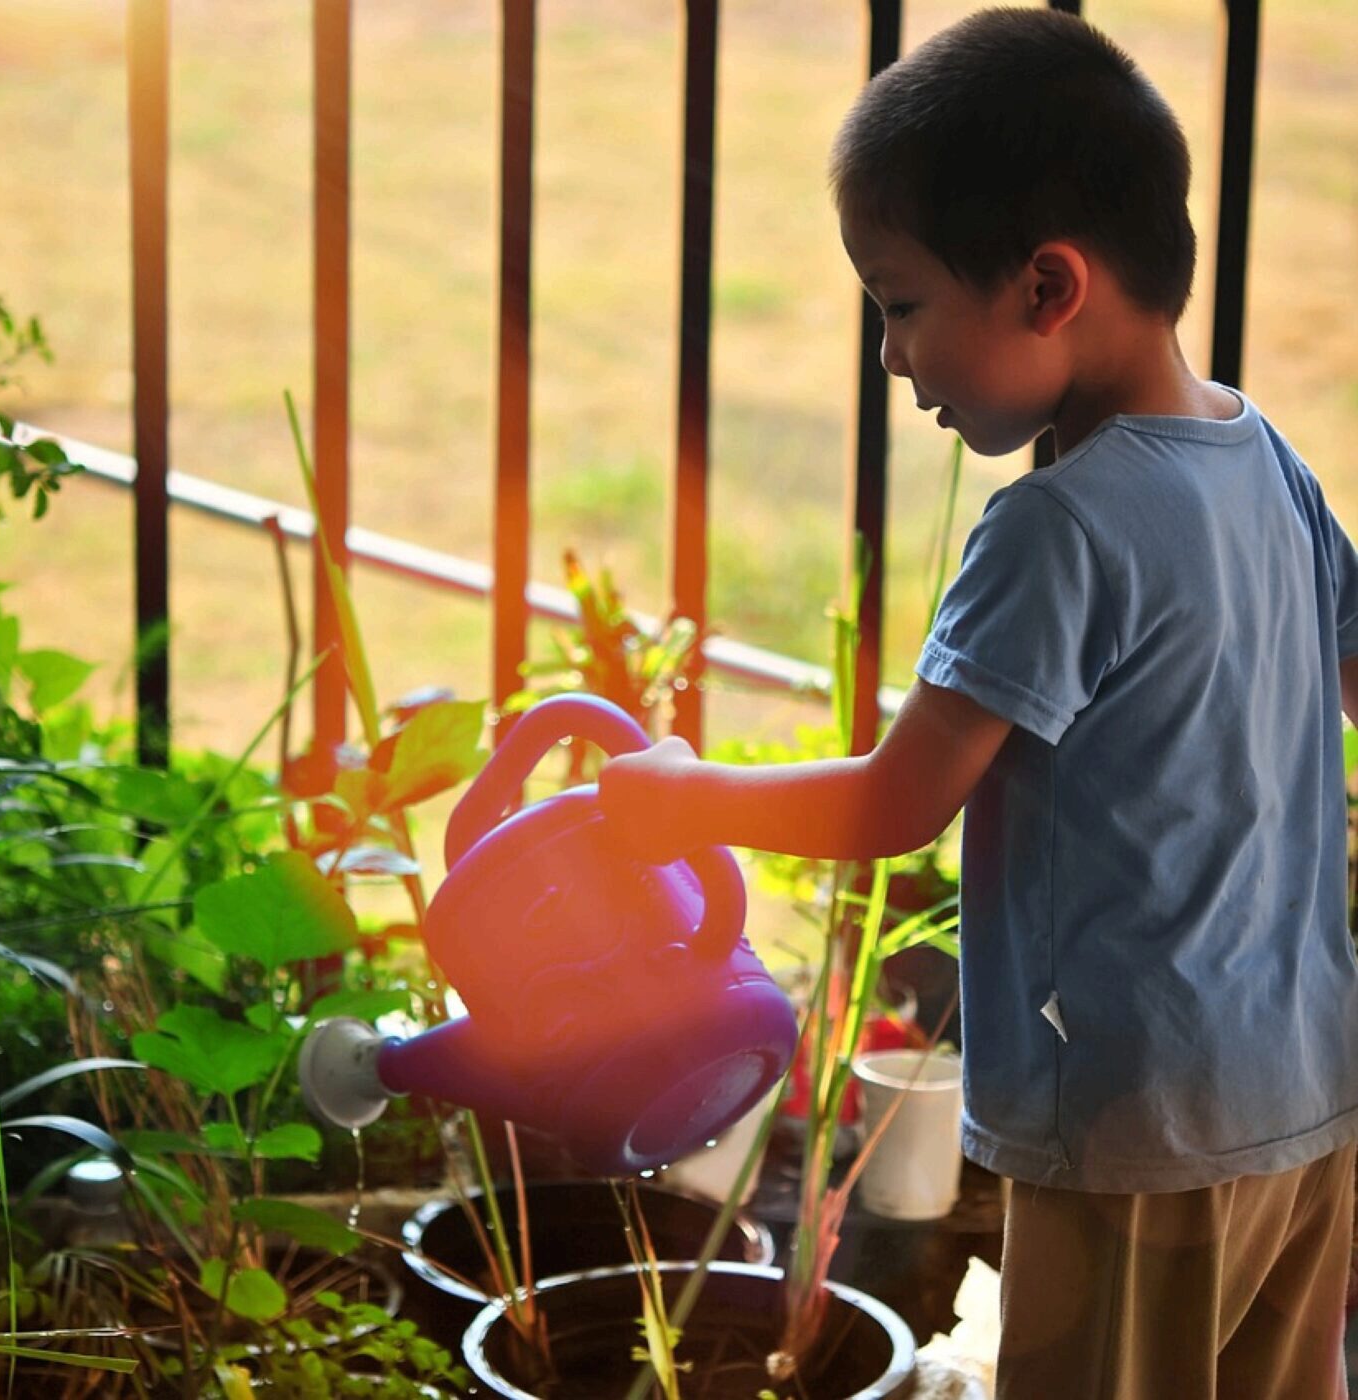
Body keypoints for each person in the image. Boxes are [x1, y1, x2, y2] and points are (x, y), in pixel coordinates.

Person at [596, 8, 1358, 1398]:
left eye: (899, 302)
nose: (891, 357)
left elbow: (897, 802)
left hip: (1140, 1131)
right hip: (1308, 1100)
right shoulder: (1270, 463)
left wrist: (679, 797)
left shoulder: (1059, 529)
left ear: (1045, 286)